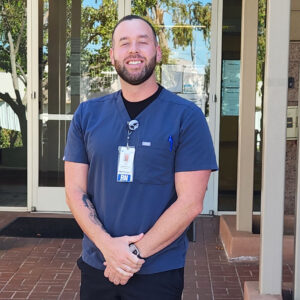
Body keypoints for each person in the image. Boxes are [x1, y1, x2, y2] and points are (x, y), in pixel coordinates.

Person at [64, 14, 218, 300]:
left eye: (142, 42)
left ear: (158, 53)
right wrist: (109, 248)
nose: (133, 50)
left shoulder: (186, 117)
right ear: (112, 56)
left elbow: (191, 203)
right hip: (98, 265)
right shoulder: (87, 115)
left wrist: (131, 256)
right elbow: (74, 189)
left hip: (158, 271)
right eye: (124, 43)